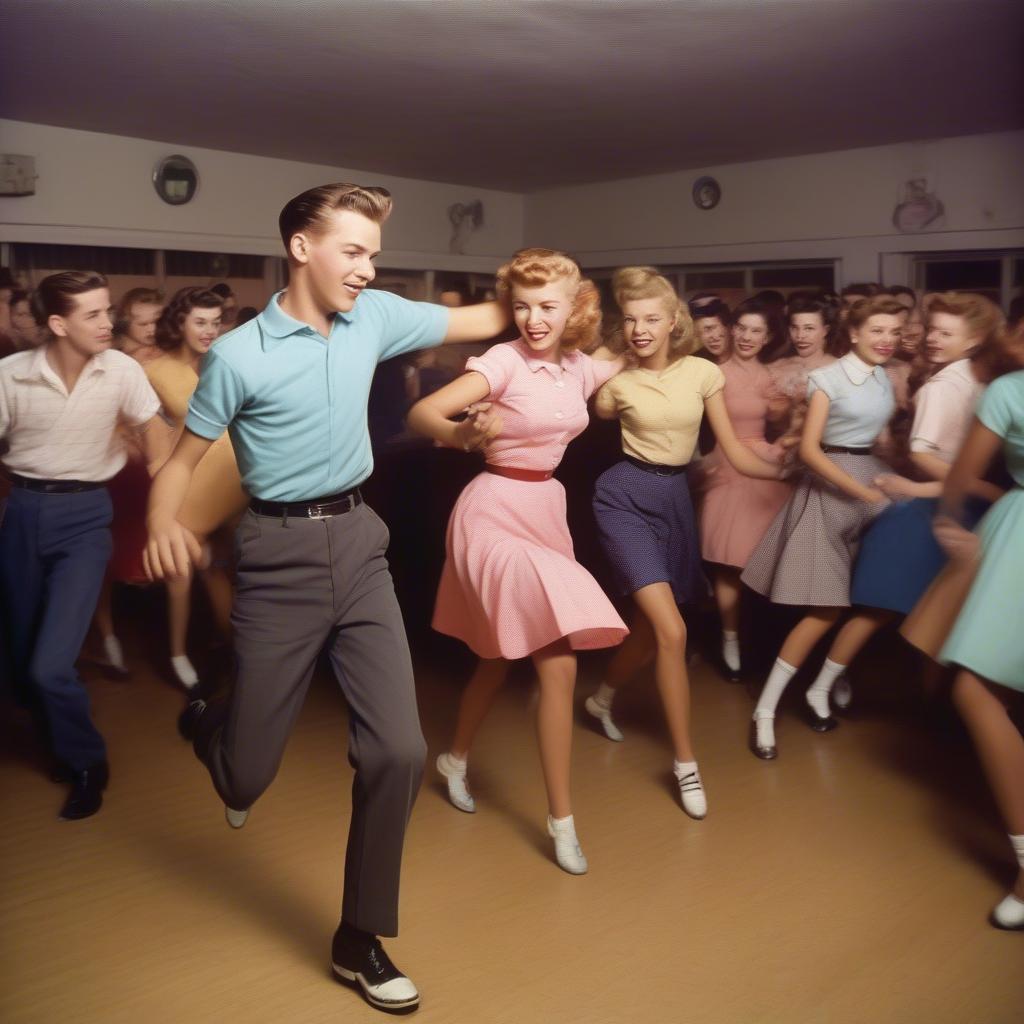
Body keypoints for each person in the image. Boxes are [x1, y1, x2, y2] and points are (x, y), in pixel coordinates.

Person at [145, 182, 508, 1015]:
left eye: (374, 252)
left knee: (399, 753)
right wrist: (165, 526)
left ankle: (359, 940)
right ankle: (212, 726)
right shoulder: (239, 355)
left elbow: (483, 320)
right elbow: (179, 463)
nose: (367, 267)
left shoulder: (373, 317)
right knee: (245, 780)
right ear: (302, 248)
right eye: (353, 250)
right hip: (275, 559)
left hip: (360, 541)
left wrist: (545, 288)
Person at [411, 248, 627, 875]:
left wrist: (666, 324)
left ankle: (453, 758)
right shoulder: (503, 361)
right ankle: (563, 823)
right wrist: (461, 435)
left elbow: (642, 349)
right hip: (491, 512)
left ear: (575, 308)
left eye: (548, 307)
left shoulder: (580, 368)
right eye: (524, 307)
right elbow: (422, 413)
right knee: (557, 663)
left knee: (497, 657)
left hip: (545, 512)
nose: (535, 319)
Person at [583, 269, 781, 817]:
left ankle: (600, 699)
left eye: (652, 318)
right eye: (631, 319)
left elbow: (736, 454)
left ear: (674, 321)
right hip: (623, 497)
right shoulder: (615, 385)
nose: (641, 329)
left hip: (675, 501)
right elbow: (581, 399)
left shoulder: (702, 374)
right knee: (673, 629)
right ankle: (686, 765)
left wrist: (790, 472)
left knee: (650, 630)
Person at [0, 271, 163, 819]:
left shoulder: (120, 369)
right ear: (56, 323)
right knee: (22, 662)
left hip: (87, 518)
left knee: (50, 666)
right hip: (22, 513)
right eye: (92, 314)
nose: (106, 321)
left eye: (107, 310)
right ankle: (59, 744)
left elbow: (155, 429)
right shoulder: (11, 375)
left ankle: (88, 761)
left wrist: (167, 492)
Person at [802, 294, 1010, 716]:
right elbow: (921, 453)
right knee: (881, 608)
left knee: (942, 612)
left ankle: (932, 707)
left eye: (945, 333)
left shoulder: (975, 379)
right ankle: (821, 685)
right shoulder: (944, 385)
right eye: (931, 328)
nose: (930, 338)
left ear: (974, 341)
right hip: (931, 513)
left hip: (956, 508)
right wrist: (978, 488)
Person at [741, 295, 905, 758]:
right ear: (853, 333)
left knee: (862, 597)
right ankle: (766, 710)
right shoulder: (826, 378)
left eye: (894, 332)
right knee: (825, 610)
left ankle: (826, 683)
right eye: (878, 330)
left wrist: (896, 479)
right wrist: (862, 490)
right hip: (831, 488)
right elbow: (811, 450)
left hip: (871, 482)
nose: (887, 340)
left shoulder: (884, 378)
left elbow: (881, 440)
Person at [933, 363, 1024, 930]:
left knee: (975, 690)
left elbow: (960, 477)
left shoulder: (1009, 390)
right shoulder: (1008, 390)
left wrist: (948, 520)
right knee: (980, 691)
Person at [146, 286, 246, 692]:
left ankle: (235, 648)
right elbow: (155, 449)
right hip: (191, 482)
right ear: (179, 323)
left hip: (240, 478)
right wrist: (163, 506)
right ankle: (177, 652)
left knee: (228, 568)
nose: (209, 330)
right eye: (199, 322)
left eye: (215, 322)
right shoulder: (154, 372)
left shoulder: (227, 362)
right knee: (185, 564)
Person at [696, 298, 794, 680]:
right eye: (743, 328)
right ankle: (729, 637)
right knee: (728, 562)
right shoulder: (710, 373)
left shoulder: (772, 377)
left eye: (757, 331)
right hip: (724, 461)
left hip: (762, 457)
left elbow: (781, 425)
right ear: (731, 329)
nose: (748, 336)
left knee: (766, 557)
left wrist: (787, 413)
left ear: (768, 337)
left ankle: (764, 641)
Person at [113, 288, 164, 365]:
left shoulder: (168, 351)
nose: (152, 329)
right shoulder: (116, 359)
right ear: (125, 325)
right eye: (143, 324)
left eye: (157, 322)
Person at [690, 299, 732, 363]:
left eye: (709, 328)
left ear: (728, 327)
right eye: (699, 332)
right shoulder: (697, 364)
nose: (707, 337)